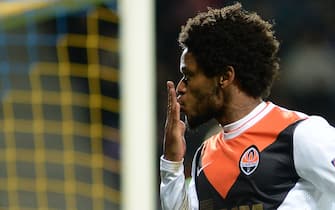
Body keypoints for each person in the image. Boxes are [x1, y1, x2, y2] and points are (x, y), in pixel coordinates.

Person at [159, 2, 335, 210]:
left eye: (188, 77)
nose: (179, 88)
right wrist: (172, 162)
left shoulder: (300, 134)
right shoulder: (203, 156)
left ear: (225, 77)